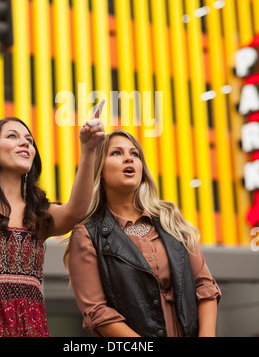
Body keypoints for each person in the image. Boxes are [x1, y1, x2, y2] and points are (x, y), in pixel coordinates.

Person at [0, 100, 106, 337]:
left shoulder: (37, 214)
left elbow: (75, 212)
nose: (25, 142)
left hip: (33, 328)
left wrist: (88, 150)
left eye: (28, 139)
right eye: (12, 136)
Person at [65, 129, 221, 338]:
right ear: (99, 169)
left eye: (134, 154)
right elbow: (98, 313)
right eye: (116, 153)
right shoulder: (86, 235)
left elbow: (205, 286)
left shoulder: (170, 219)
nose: (128, 157)